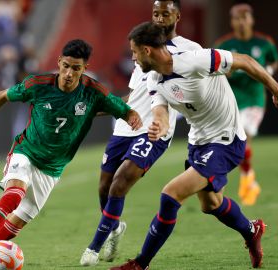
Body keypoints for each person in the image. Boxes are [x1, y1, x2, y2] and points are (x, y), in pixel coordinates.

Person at [110, 22, 278, 270]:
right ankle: (252, 230)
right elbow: (161, 113)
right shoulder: (153, 79)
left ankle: (140, 263)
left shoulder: (195, 60)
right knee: (211, 204)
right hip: (199, 141)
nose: (132, 58)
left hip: (226, 139)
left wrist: (276, 88)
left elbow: (245, 61)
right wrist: (158, 127)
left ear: (147, 50)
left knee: (170, 194)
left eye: (134, 52)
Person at [0, 39, 142, 270]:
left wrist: (133, 117)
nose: (69, 73)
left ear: (84, 68)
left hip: (52, 168)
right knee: (14, 194)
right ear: (59, 62)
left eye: (76, 68)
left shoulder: (94, 92)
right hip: (26, 152)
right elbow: (2, 95)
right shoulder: (39, 84)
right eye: (66, 66)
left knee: (11, 230)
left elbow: (124, 110)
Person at [80, 0, 202, 266]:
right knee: (104, 187)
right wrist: (98, 108)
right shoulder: (143, 48)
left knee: (122, 181)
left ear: (177, 16)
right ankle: (114, 228)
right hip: (125, 128)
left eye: (165, 13)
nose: (159, 18)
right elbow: (134, 95)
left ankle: (93, 247)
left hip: (154, 131)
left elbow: (196, 88)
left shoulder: (190, 51)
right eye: (155, 13)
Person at [214, 3, 278, 205]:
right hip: (231, 99)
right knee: (234, 141)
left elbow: (274, 61)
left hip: (254, 98)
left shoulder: (265, 43)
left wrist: (267, 71)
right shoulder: (224, 44)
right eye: (236, 18)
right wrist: (224, 72)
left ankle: (245, 179)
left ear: (251, 20)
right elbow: (215, 67)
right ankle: (248, 178)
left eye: (244, 17)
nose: (241, 22)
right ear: (231, 21)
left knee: (243, 137)